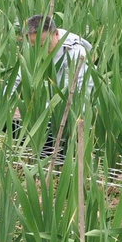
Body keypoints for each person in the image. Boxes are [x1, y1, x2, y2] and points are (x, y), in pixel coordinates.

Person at [14, 14, 93, 157]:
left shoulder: (75, 52)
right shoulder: (32, 48)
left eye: (44, 45)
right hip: (44, 110)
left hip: (66, 115)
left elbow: (80, 94)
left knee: (56, 137)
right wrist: (6, 105)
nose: (39, 50)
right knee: (10, 123)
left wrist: (39, 111)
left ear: (56, 34)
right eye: (34, 46)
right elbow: (17, 78)